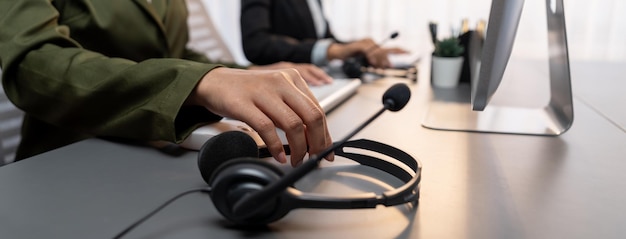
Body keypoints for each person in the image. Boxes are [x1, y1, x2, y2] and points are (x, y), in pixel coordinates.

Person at [0, 0, 333, 166]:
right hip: (74, 160)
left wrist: (247, 73)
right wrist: (199, 81)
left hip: (167, 152)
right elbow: (34, 63)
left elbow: (177, 53)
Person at [240, 0, 406, 69]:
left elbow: (324, 40)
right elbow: (256, 44)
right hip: (288, 84)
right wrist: (331, 50)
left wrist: (361, 47)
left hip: (320, 79)